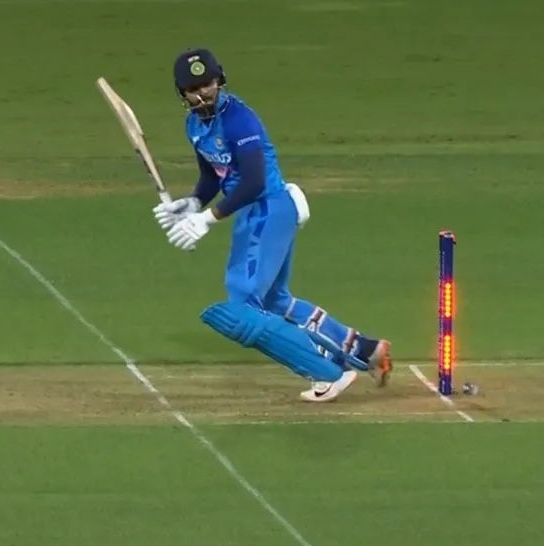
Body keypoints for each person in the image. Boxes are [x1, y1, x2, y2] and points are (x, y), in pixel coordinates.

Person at [152, 47, 392, 402]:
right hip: (255, 212)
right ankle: (365, 349)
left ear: (220, 80)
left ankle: (328, 371)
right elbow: (214, 175)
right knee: (274, 301)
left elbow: (253, 182)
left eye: (208, 84)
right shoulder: (194, 126)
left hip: (267, 208)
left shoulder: (240, 120)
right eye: (194, 88)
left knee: (243, 305)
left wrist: (207, 219)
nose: (203, 93)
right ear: (182, 93)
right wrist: (193, 202)